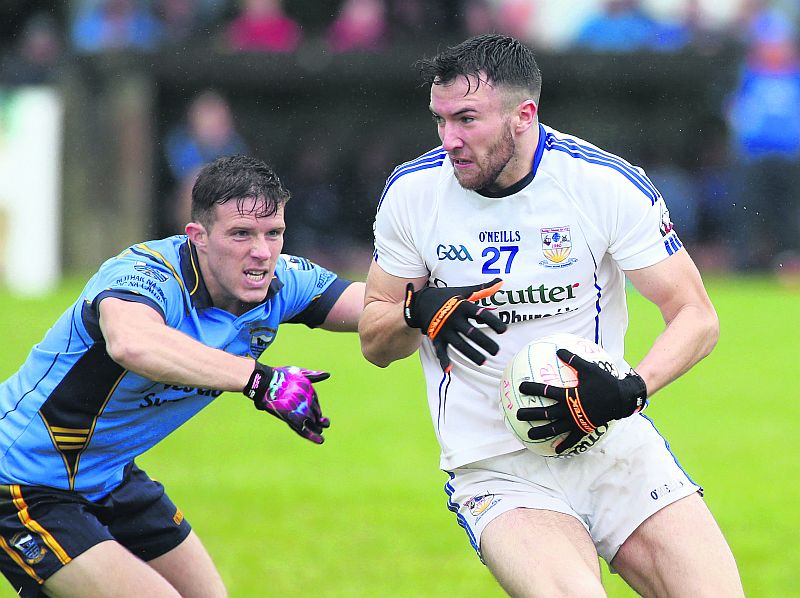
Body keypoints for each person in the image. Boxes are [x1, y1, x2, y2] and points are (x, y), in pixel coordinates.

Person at [359, 34, 744, 596]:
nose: (449, 140)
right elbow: (374, 340)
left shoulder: (600, 184)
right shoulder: (414, 193)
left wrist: (632, 387)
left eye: (467, 120)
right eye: (440, 121)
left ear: (524, 114)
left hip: (610, 441)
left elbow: (694, 314)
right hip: (496, 466)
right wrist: (418, 310)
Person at [0, 154, 364, 597]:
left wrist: (434, 305)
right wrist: (258, 379)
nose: (262, 252)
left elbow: (373, 306)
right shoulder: (146, 275)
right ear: (199, 237)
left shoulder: (282, 283)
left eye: (274, 234)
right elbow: (133, 343)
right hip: (23, 479)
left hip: (109, 475)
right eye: (241, 234)